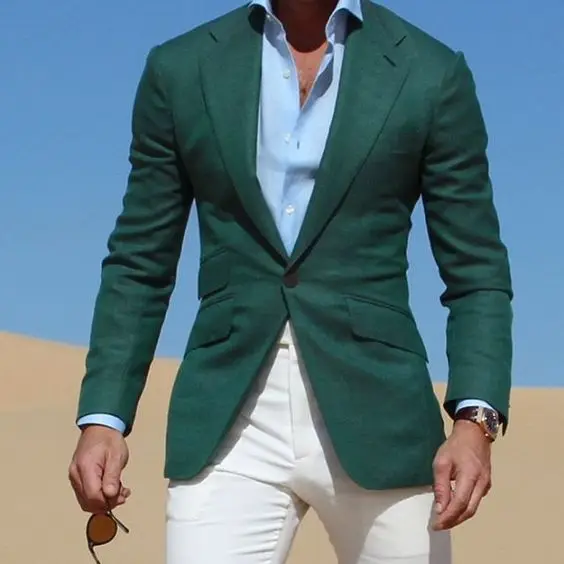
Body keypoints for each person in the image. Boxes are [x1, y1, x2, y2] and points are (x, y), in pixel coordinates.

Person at [68, 0, 513, 562]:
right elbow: (140, 259)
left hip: (382, 418)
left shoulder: (431, 72)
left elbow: (476, 269)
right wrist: (103, 416)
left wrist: (475, 421)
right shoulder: (181, 68)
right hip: (228, 415)